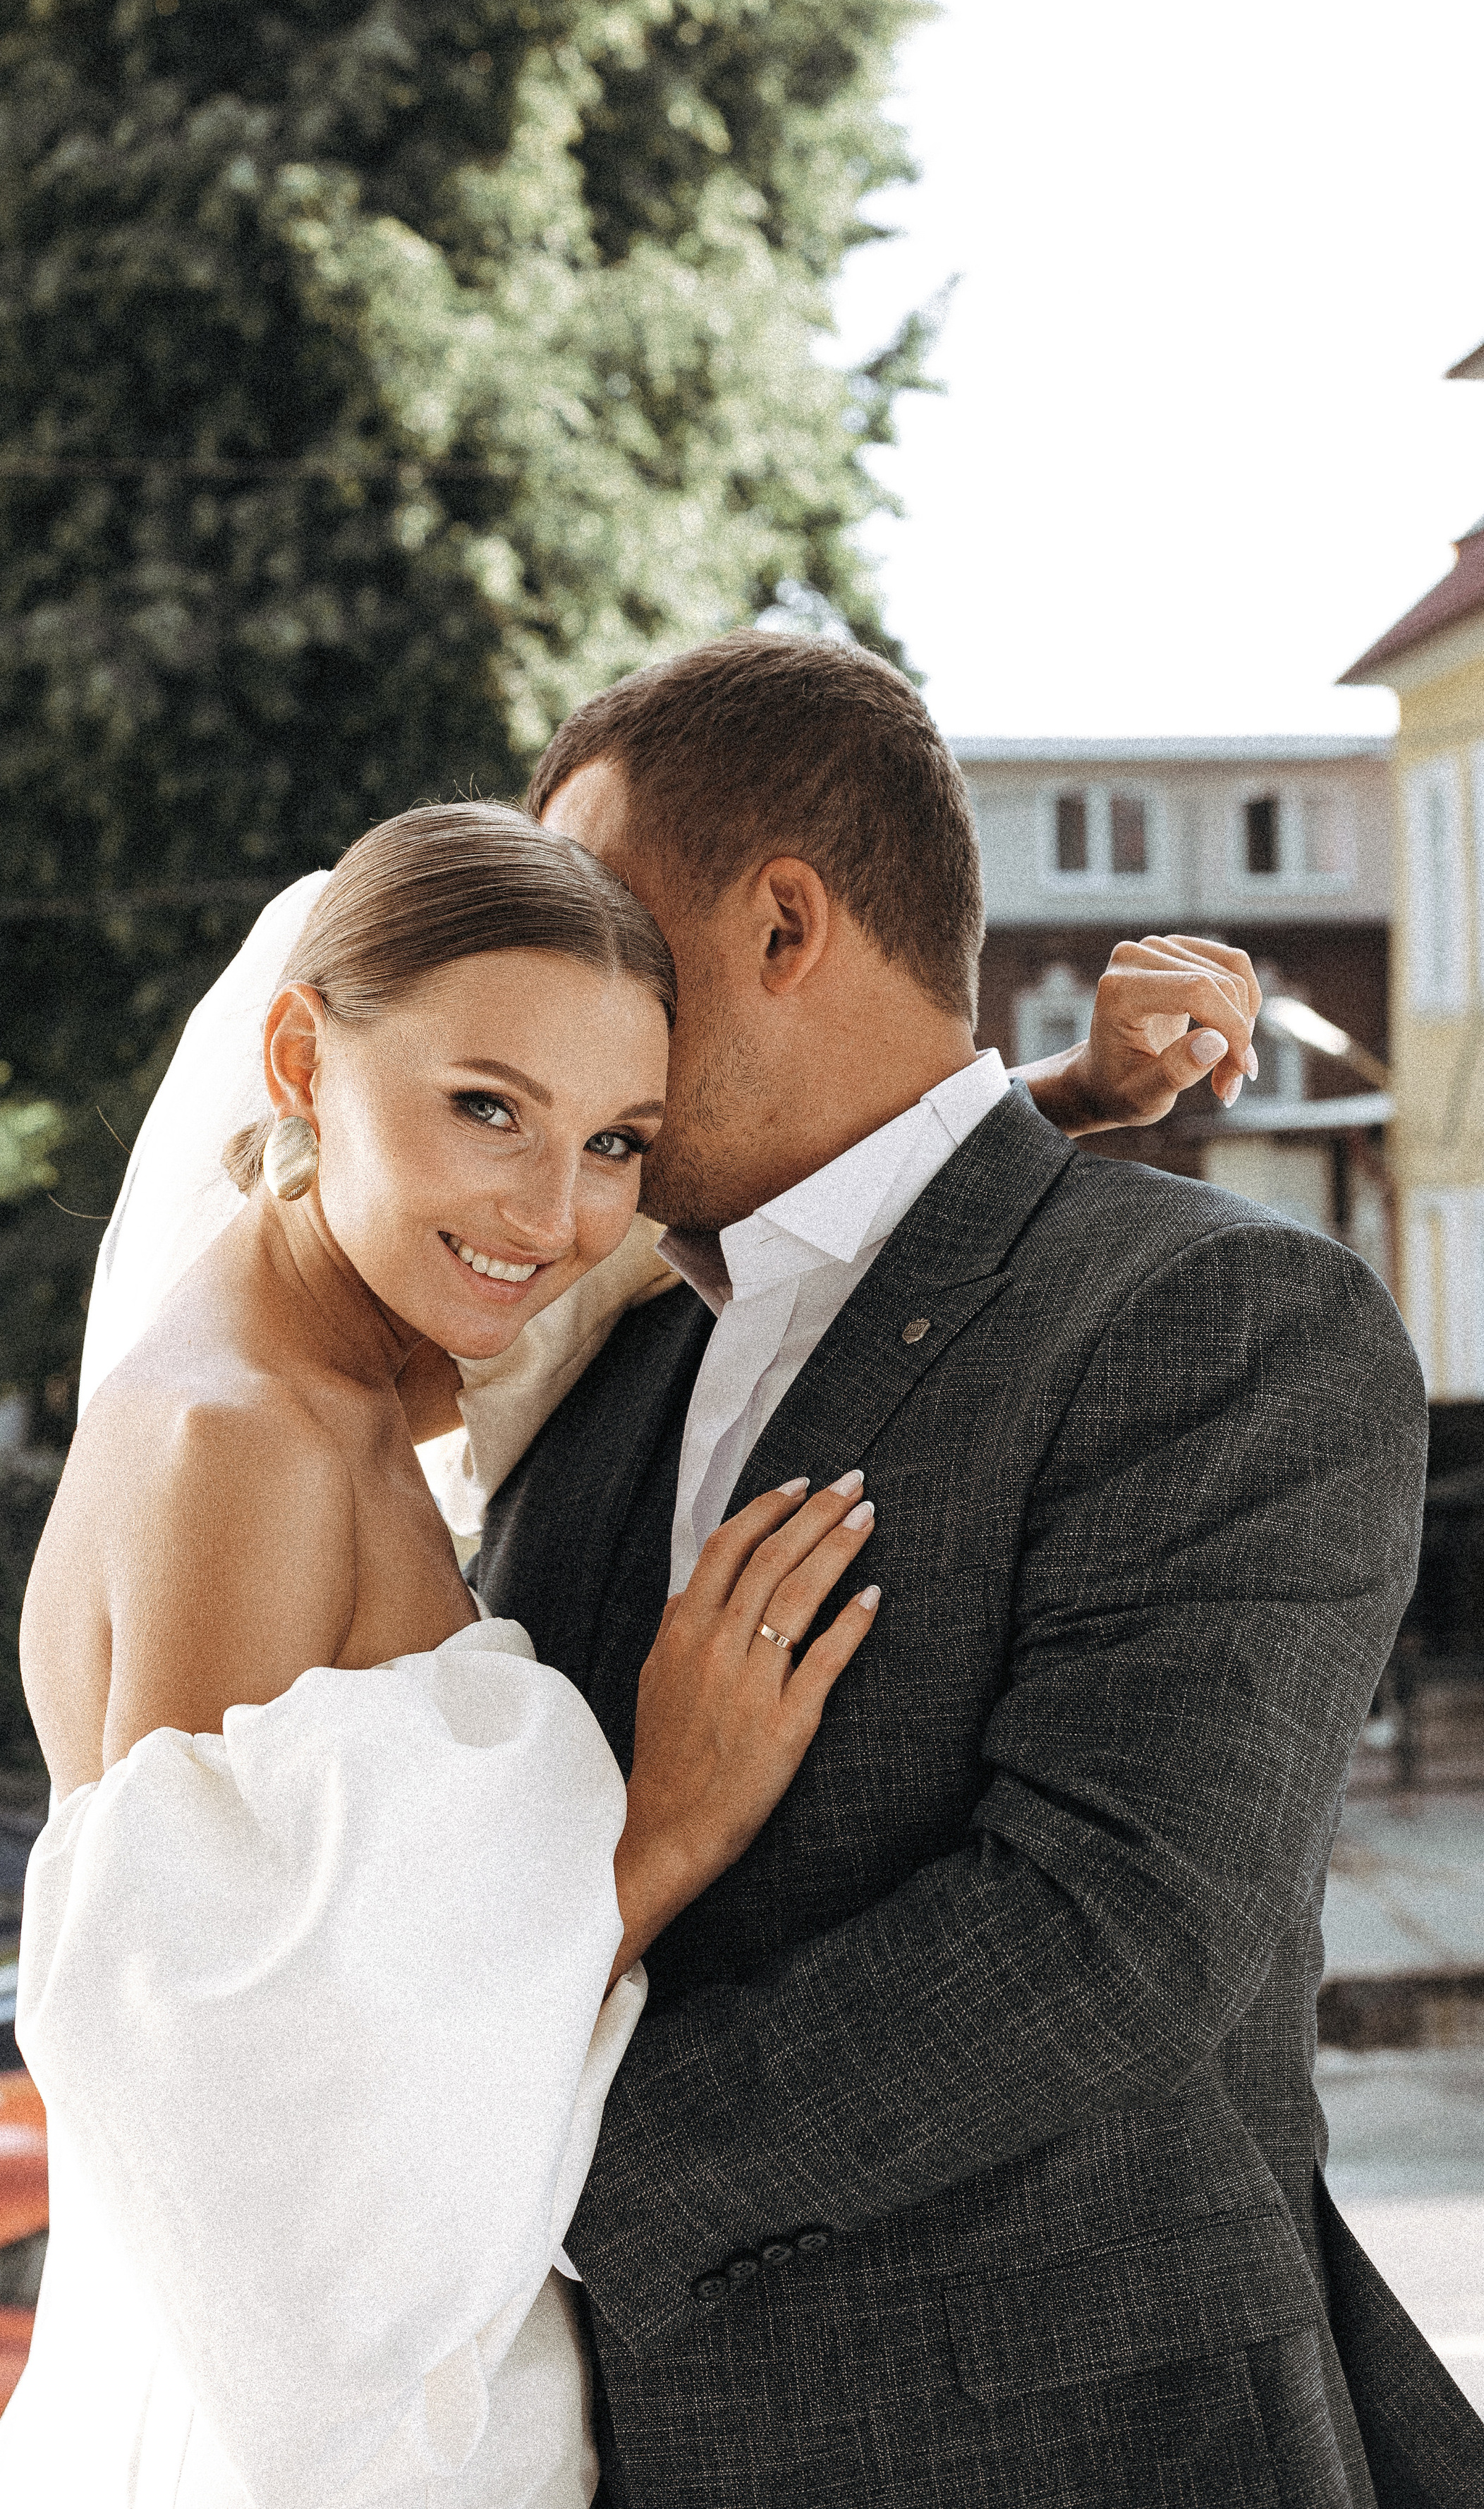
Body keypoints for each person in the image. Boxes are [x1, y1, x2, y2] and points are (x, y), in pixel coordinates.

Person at [0, 789, 1246, 2509]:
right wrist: (662, 1832)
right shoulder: (237, 1450)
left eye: (618, 1140)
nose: (554, 1214)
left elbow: (685, 1248)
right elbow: (244, 2122)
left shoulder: (388, 1324)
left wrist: (1071, 1098)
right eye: (484, 1107)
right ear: (295, 1057)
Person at [475, 631, 1481, 2509]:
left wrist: (492, 2170)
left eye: (610, 937)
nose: (566, 1013)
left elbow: (1108, 1933)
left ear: (785, 926)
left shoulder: (1220, 1316)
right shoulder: (608, 1364)